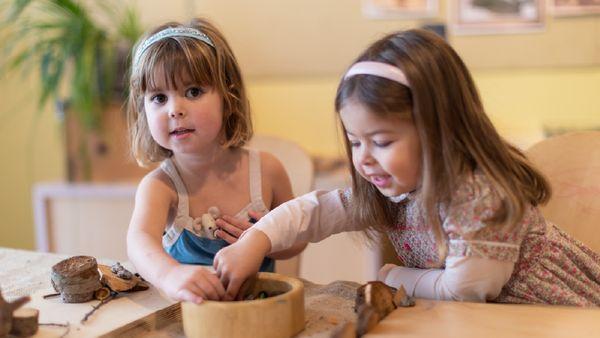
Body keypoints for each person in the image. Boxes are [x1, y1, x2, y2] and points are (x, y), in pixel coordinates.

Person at [213, 29, 600, 306]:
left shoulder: (479, 195)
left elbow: (466, 289)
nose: (363, 157)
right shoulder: (397, 184)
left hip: (555, 320)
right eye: (354, 141)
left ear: (440, 132)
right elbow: (316, 211)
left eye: (381, 142)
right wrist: (256, 240)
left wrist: (392, 277)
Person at [126, 18, 306, 304]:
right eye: (159, 97)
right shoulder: (160, 186)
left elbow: (299, 238)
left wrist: (266, 240)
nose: (175, 110)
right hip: (192, 320)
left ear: (228, 96)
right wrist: (170, 275)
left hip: (260, 316)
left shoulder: (267, 171)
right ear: (143, 109)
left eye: (193, 92)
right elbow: (139, 244)